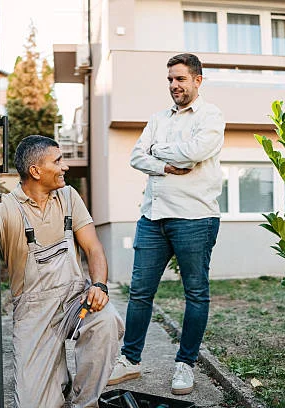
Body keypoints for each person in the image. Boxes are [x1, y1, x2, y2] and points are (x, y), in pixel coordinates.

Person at [0, 135, 124, 408]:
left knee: (106, 321)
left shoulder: (69, 197)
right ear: (35, 171)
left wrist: (99, 285)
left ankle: (85, 403)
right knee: (33, 404)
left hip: (75, 300)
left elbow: (93, 248)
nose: (64, 167)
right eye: (58, 161)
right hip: (33, 312)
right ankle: (58, 382)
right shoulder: (7, 208)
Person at [108, 53, 224, 395]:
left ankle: (185, 364)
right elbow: (136, 156)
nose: (174, 85)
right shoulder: (157, 118)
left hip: (195, 218)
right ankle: (130, 360)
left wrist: (157, 151)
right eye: (170, 79)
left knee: (196, 294)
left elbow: (195, 152)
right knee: (140, 291)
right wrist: (164, 164)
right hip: (152, 217)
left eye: (180, 79)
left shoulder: (211, 116)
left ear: (197, 80)